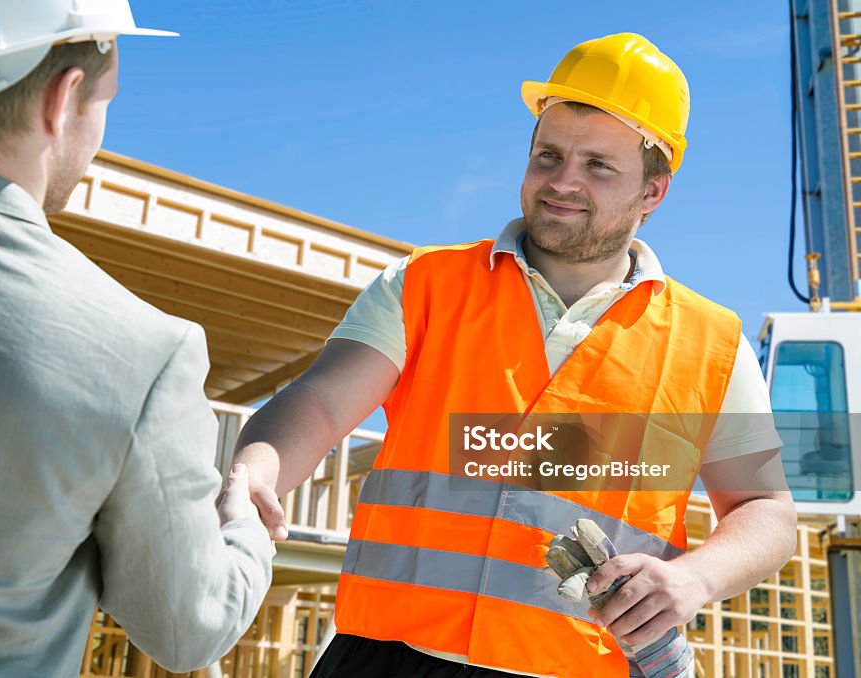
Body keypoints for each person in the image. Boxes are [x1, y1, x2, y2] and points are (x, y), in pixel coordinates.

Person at [226, 33, 798, 677]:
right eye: (547, 155)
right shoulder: (423, 284)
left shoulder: (713, 343)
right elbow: (323, 401)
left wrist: (694, 578)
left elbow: (766, 512)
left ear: (653, 190)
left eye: (598, 166)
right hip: (387, 660)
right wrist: (259, 465)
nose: (562, 182)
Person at [0, 1, 272, 675]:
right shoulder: (142, 351)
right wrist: (244, 528)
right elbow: (190, 628)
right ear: (63, 98)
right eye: (106, 101)